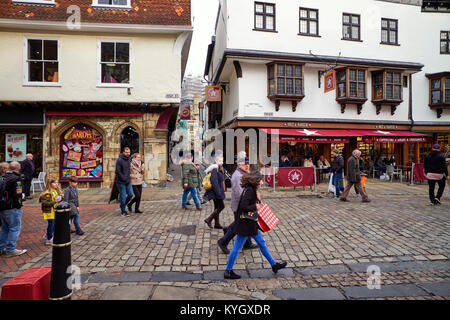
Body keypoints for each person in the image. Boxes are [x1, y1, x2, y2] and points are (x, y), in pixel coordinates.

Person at [224, 171, 287, 279]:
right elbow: (244, 206)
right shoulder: (249, 191)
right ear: (256, 181)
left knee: (261, 242)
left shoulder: (251, 190)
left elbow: (250, 203)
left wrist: (257, 199)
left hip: (249, 223)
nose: (262, 182)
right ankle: (228, 271)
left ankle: (274, 265)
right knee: (237, 247)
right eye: (261, 180)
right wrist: (255, 206)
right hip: (245, 225)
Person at [217, 155, 257, 254]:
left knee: (244, 223)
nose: (247, 165)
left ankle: (247, 243)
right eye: (245, 164)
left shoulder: (243, 173)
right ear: (239, 164)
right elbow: (241, 194)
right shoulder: (237, 176)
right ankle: (223, 241)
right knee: (239, 226)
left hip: (242, 205)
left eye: (248, 163)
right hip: (240, 206)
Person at [0, 162, 27, 257]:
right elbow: (18, 194)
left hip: (2, 206)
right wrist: (19, 204)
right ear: (18, 168)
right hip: (12, 207)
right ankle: (11, 249)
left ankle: (1, 247)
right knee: (15, 228)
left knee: (5, 228)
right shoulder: (16, 178)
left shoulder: (2, 176)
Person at [204, 154, 226, 229]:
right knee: (221, 206)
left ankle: (217, 224)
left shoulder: (219, 168)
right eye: (220, 161)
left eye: (222, 161)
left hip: (217, 191)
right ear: (215, 161)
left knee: (217, 207)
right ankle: (209, 219)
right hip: (216, 192)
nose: (221, 162)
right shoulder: (214, 169)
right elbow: (214, 182)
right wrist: (218, 193)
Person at [39, 177, 63, 245]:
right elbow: (45, 203)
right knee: (51, 224)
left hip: (54, 210)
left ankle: (47, 234)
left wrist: (61, 198)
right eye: (54, 182)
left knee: (54, 224)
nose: (56, 184)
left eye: (57, 182)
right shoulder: (47, 193)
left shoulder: (55, 191)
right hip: (49, 211)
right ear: (50, 184)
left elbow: (56, 201)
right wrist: (55, 201)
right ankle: (49, 239)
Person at [115, 147, 134, 217]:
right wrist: (123, 178)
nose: (128, 153)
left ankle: (122, 205)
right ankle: (123, 211)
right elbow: (117, 171)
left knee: (131, 194)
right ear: (123, 152)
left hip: (128, 181)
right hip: (121, 181)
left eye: (129, 152)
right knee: (123, 197)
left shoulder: (129, 159)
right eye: (126, 152)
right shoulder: (119, 160)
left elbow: (137, 159)